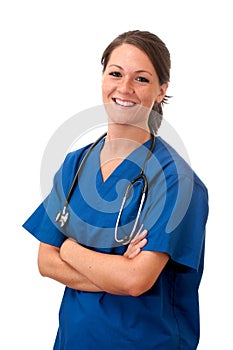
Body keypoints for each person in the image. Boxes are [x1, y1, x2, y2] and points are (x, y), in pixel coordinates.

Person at [22, 30, 209, 350]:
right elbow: (44, 261)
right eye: (116, 73)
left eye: (141, 79)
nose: (124, 88)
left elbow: (136, 280)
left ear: (161, 91)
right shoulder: (75, 165)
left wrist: (67, 248)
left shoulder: (177, 181)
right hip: (73, 341)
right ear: (103, 78)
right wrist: (115, 271)